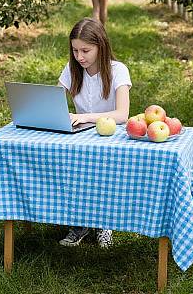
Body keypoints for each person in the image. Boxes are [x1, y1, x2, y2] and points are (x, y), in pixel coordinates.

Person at [57, 17, 131, 248]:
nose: (80, 57)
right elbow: (55, 102)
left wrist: (86, 117)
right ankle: (80, 222)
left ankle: (104, 222)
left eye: (86, 50)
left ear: (101, 46)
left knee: (101, 167)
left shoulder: (118, 70)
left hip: (111, 137)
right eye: (75, 50)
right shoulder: (73, 69)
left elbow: (122, 115)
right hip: (81, 135)